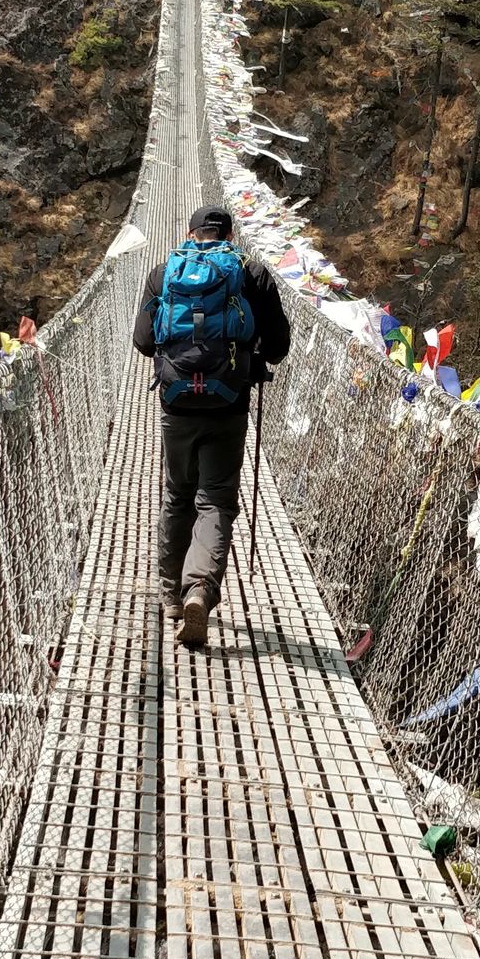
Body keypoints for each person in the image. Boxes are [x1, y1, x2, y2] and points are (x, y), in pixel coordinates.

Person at [132, 202, 291, 650]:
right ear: (231, 235)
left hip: (177, 403)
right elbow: (279, 346)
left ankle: (169, 594)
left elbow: (144, 341)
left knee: (178, 495)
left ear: (190, 232)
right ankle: (199, 588)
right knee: (216, 500)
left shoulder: (164, 273)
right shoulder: (252, 274)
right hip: (229, 401)